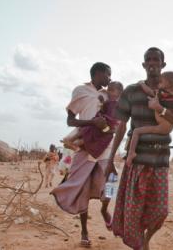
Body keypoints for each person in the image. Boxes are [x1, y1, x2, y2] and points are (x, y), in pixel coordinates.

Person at [108, 47, 173, 250]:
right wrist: (110, 160)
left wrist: (162, 109)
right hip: (137, 159)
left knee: (160, 211)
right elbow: (122, 126)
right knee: (134, 211)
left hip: (160, 158)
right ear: (144, 65)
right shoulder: (132, 91)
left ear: (163, 65)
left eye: (156, 60)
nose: (152, 63)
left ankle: (145, 240)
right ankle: (139, 246)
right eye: (148, 60)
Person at [50, 62, 115, 248]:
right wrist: (91, 123)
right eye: (107, 75)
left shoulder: (107, 94)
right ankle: (84, 231)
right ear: (97, 73)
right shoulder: (80, 91)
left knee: (111, 180)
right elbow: (71, 121)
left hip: (104, 147)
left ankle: (104, 209)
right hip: (85, 146)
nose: (109, 79)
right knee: (82, 189)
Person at [126, 71, 173, 167]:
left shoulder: (162, 94)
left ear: (168, 84)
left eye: (161, 82)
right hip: (169, 127)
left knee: (136, 131)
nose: (158, 84)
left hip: (162, 126)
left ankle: (131, 153)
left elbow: (149, 91)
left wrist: (142, 84)